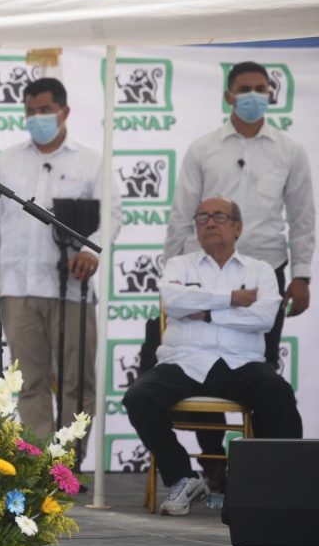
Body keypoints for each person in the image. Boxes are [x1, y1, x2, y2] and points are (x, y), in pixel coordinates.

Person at [163, 61, 314, 491]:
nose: (253, 95)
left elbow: (303, 216)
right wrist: (171, 274)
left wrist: (301, 275)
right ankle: (213, 467)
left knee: (258, 372)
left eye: (261, 88)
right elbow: (181, 213)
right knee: (198, 366)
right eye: (244, 88)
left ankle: (266, 478)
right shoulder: (204, 148)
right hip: (204, 272)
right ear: (228, 96)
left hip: (266, 272)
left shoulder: (290, 150)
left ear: (271, 94)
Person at [125, 196, 302, 515]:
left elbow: (264, 317)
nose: (209, 222)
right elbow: (174, 301)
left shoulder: (260, 269)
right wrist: (232, 298)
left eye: (219, 216)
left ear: (238, 227)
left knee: (278, 394)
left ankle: (272, 490)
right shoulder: (180, 265)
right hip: (184, 362)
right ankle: (182, 478)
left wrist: (207, 313)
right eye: (202, 217)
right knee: (139, 397)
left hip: (241, 363)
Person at [0, 78, 122, 443]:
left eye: (44, 111)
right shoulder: (6, 162)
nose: (36, 118)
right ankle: (39, 463)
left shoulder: (90, 162)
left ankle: (69, 461)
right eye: (30, 111)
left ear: (64, 112)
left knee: (77, 381)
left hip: (71, 289)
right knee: (28, 381)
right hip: (17, 290)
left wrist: (91, 251)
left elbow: (112, 214)